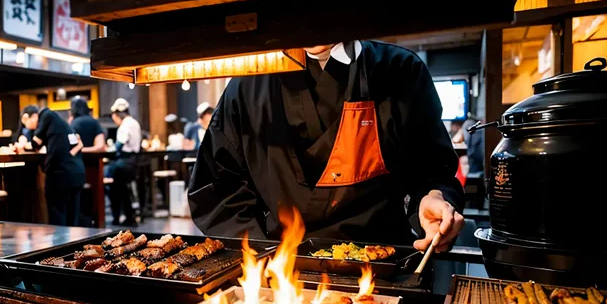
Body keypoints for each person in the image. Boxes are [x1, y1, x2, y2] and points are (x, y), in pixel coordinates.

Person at [188, 41, 465, 253]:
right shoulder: (247, 85)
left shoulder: (401, 70)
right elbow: (216, 188)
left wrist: (433, 198)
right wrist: (262, 254)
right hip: (281, 272)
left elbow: (433, 172)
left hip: (382, 264)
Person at [23, 105, 86, 226]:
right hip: (77, 171)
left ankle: (62, 244)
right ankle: (74, 244)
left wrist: (23, 146)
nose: (26, 126)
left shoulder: (46, 115)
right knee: (73, 217)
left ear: (29, 117)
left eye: (25, 122)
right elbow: (78, 144)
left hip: (60, 173)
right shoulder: (59, 121)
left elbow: (36, 144)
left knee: (58, 217)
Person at [108, 98, 143, 225]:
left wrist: (109, 150)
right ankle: (130, 216)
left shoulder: (125, 125)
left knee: (115, 188)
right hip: (133, 161)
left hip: (125, 162)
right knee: (126, 191)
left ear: (118, 115)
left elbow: (118, 146)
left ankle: (119, 217)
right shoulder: (135, 123)